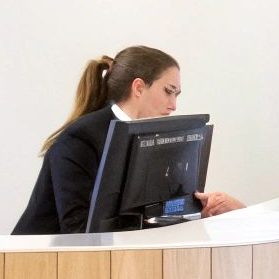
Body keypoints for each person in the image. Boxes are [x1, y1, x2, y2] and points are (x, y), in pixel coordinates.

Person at [12, 46, 243, 235]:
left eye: (176, 95)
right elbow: (78, 230)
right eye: (168, 91)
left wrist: (195, 212)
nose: (174, 106)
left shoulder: (152, 137)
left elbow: (147, 212)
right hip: (39, 268)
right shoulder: (79, 140)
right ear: (139, 87)